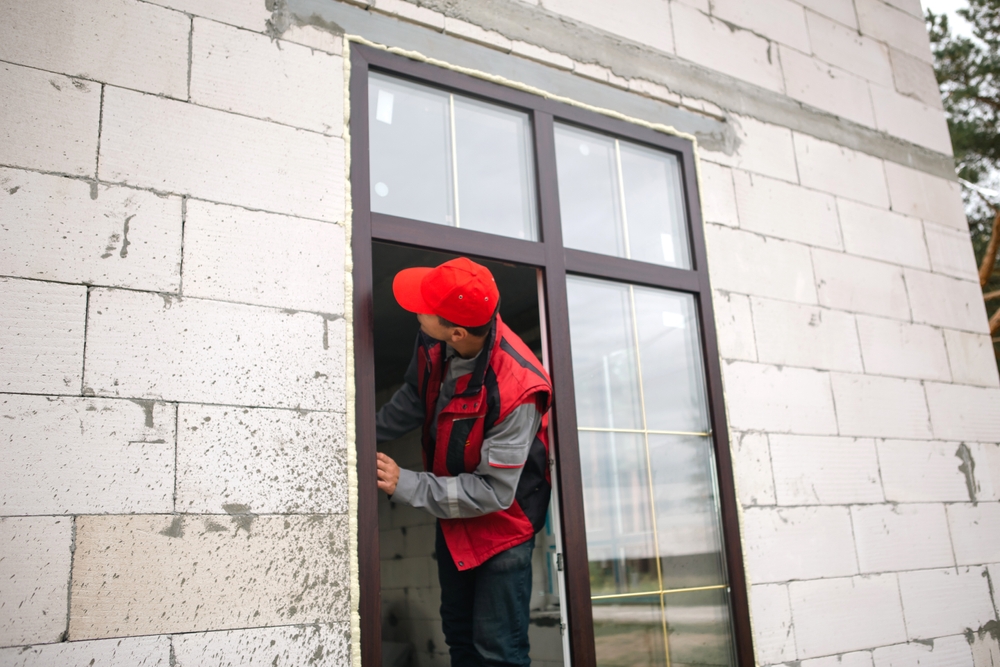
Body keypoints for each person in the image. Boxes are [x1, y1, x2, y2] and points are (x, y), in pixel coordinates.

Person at [375, 257, 553, 667]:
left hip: (501, 530)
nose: (416, 311)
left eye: (424, 308)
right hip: (456, 518)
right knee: (459, 639)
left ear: (455, 330)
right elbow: (416, 395)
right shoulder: (436, 339)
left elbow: (493, 490)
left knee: (498, 652)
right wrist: (362, 435)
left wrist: (407, 483)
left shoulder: (519, 390)